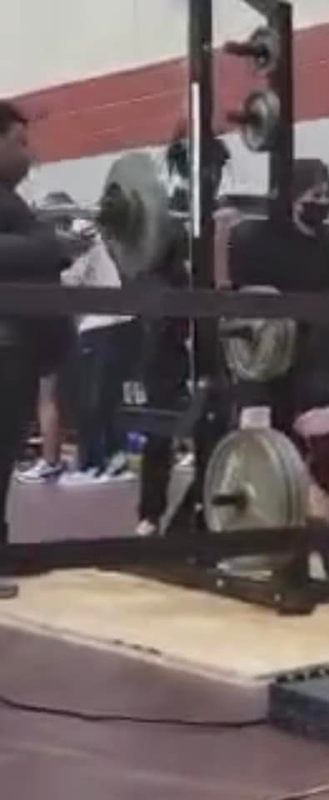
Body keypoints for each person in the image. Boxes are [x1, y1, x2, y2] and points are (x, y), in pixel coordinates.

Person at [228, 158, 329, 525]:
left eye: (328, 195)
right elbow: (224, 292)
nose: (324, 202)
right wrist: (220, 236)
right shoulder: (253, 240)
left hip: (322, 361)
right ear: (291, 197)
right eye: (315, 195)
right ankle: (264, 523)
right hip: (268, 365)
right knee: (265, 449)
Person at [0, 102, 83, 597]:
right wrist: (52, 247)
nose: (28, 154)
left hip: (19, 344)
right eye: (18, 143)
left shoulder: (12, 202)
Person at [135, 130, 233, 537]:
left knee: (217, 425)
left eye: (219, 168)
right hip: (167, 339)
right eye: (208, 167)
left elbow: (230, 283)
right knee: (161, 427)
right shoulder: (165, 219)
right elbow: (145, 279)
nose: (214, 176)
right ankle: (149, 515)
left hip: (213, 338)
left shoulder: (223, 219)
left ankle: (206, 508)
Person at [60, 214, 137, 484]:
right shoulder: (99, 244)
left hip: (98, 326)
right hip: (116, 324)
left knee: (90, 398)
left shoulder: (86, 241)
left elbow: (69, 281)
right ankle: (116, 459)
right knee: (108, 397)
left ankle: (92, 464)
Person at [16, 192, 80, 485]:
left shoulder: (45, 251)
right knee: (47, 398)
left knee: (46, 399)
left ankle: (50, 460)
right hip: (56, 329)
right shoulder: (59, 252)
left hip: (45, 331)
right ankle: (49, 457)